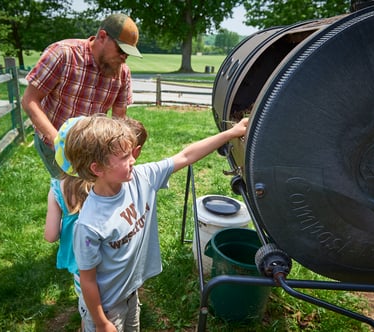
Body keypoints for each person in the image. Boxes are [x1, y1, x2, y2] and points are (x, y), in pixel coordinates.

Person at [58, 114, 248, 332]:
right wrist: (101, 323)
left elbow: (186, 155)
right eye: (124, 156)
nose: (133, 160)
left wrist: (232, 133)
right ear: (97, 169)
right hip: (107, 308)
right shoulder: (90, 225)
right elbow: (87, 281)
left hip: (131, 294)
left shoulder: (142, 178)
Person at [44, 115, 148, 330]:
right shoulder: (104, 183)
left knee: (88, 304)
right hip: (112, 270)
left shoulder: (57, 188)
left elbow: (51, 235)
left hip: (79, 266)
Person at [21, 13, 143, 179]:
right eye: (121, 50)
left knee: (92, 195)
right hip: (54, 141)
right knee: (71, 195)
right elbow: (29, 100)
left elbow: (118, 118)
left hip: (93, 149)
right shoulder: (63, 54)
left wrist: (121, 152)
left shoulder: (122, 73)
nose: (123, 58)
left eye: (127, 54)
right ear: (102, 36)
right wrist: (58, 141)